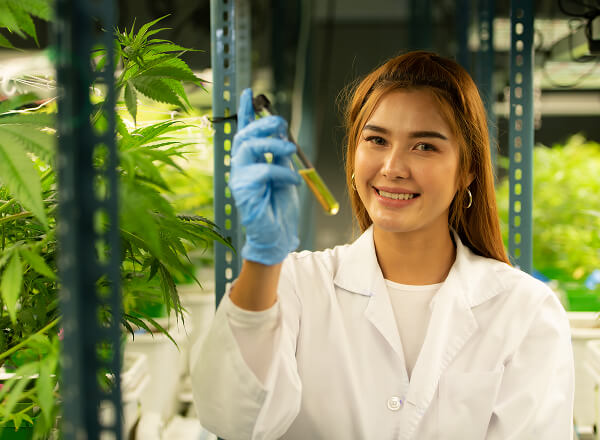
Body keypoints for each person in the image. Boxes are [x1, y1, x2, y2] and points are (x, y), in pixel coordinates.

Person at [191, 51, 574, 439]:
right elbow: (232, 419)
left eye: (424, 146)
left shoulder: (523, 309)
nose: (392, 167)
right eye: (376, 139)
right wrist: (261, 258)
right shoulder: (295, 285)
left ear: (468, 170)